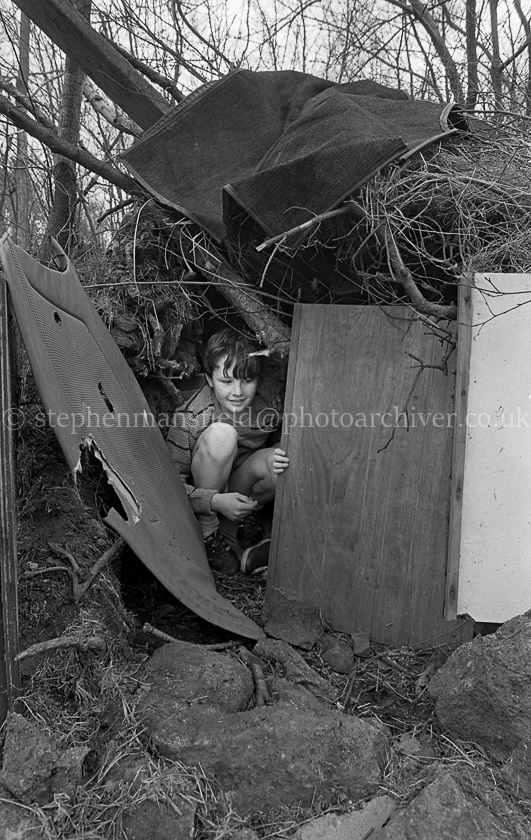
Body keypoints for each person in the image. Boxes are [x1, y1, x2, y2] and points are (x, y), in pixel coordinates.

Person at [167, 328, 289, 574]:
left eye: (247, 380)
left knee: (280, 459)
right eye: (226, 381)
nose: (237, 392)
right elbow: (171, 484)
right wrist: (214, 501)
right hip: (206, 489)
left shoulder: (268, 405)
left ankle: (247, 514)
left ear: (258, 378)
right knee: (222, 435)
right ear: (210, 379)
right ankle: (210, 531)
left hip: (241, 482)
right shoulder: (190, 417)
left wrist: (276, 447)